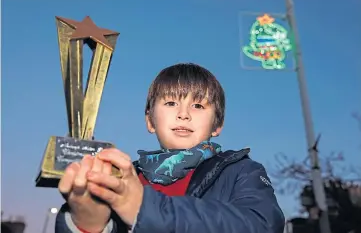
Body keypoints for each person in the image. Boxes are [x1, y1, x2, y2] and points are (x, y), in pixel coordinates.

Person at [55, 63, 285, 233]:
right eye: (171, 103)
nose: (183, 114)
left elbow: (262, 225)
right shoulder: (125, 178)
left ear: (217, 125)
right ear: (150, 121)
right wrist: (88, 224)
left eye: (197, 105)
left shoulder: (240, 171)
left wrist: (142, 208)